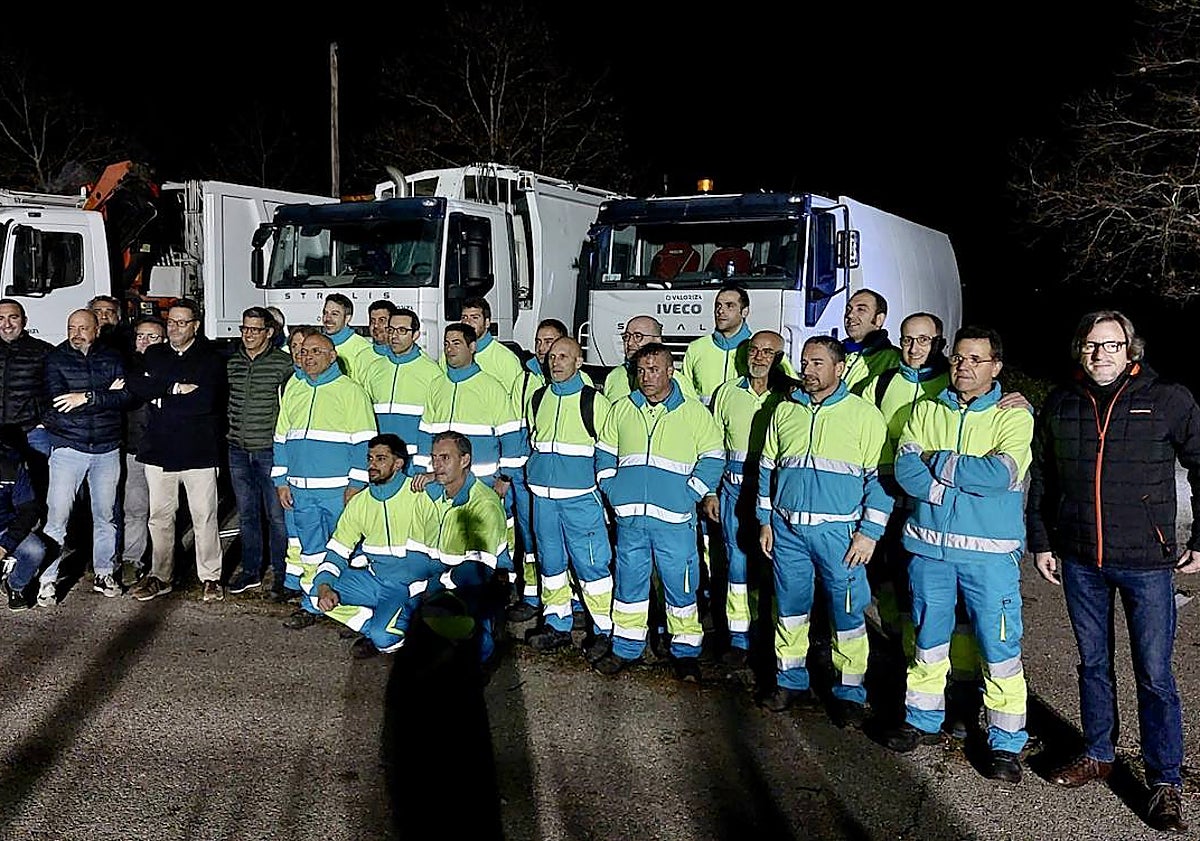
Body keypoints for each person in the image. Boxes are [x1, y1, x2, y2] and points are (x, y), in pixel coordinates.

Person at [1028, 311, 1200, 832]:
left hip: (1148, 562)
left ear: (1132, 350)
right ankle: (1098, 753)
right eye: (1092, 345)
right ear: (1079, 350)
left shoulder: (1170, 399)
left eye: (1112, 345)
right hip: (1081, 560)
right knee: (1093, 664)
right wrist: (1041, 542)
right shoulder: (1061, 402)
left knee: (1155, 674)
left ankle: (1164, 780)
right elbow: (1043, 476)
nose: (1101, 354)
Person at [883, 326, 1033, 786]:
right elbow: (906, 466)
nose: (964, 367)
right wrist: (941, 486)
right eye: (959, 359)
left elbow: (999, 473)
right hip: (929, 549)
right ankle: (923, 720)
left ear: (995, 367)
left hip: (990, 555)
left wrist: (941, 461)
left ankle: (1006, 743)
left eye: (975, 360)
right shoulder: (925, 409)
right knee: (927, 638)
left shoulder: (1014, 416)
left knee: (999, 647)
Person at [756, 336, 890, 726]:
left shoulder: (864, 416)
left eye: (817, 363)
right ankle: (789, 679)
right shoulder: (784, 411)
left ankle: (849, 691)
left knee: (847, 613)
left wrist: (869, 533)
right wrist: (766, 521)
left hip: (840, 535)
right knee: (791, 610)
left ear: (839, 368)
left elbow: (879, 481)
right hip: (787, 531)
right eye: (804, 363)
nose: (808, 371)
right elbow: (768, 468)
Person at [593, 343, 723, 682]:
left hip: (675, 521)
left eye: (654, 370)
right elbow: (605, 454)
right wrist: (612, 490)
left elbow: (712, 458)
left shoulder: (694, 413)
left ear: (670, 371)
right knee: (629, 585)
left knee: (680, 588)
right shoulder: (622, 409)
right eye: (641, 371)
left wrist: (689, 495)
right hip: (631, 520)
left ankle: (685, 652)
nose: (646, 377)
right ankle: (625, 647)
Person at [271, 331, 376, 628]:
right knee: (311, 551)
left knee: (349, 552)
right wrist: (281, 480)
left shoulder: (351, 391)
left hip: (338, 490)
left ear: (332, 357)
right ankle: (314, 603)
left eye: (316, 351)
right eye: (303, 351)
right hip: (300, 491)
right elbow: (281, 437)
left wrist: (356, 485)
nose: (308, 357)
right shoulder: (295, 387)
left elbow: (364, 443)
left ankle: (355, 607)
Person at [127, 299, 228, 603]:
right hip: (159, 450)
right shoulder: (155, 353)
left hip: (199, 451)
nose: (174, 328)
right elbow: (134, 384)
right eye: (170, 322)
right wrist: (173, 389)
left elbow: (204, 402)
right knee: (159, 517)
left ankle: (210, 577)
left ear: (196, 325)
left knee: (204, 516)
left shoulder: (210, 358)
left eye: (182, 322)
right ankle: (160, 575)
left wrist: (159, 392)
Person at [521, 337, 615, 658]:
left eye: (564, 356)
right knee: (551, 565)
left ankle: (604, 630)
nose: (555, 362)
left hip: (581, 502)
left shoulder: (594, 402)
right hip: (543, 501)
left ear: (578, 362)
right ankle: (557, 625)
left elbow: (610, 449)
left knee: (592, 567)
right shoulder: (537, 398)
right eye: (552, 356)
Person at [311, 434, 440, 658]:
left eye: (380, 459)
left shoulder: (420, 492)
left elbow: (459, 487)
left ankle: (391, 630)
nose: (372, 465)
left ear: (398, 464)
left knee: (384, 639)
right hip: (375, 580)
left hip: (411, 585)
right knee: (313, 593)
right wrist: (324, 587)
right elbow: (338, 551)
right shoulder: (360, 503)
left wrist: (436, 478)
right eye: (370, 459)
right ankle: (381, 625)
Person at [705, 330, 788, 665]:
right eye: (754, 350)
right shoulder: (726, 392)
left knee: (777, 565)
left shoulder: (788, 395)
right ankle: (739, 639)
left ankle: (774, 635)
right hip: (733, 491)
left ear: (780, 358)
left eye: (768, 352)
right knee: (737, 561)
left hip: (775, 493)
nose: (759, 357)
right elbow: (712, 445)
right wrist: (710, 490)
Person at [38, 309, 130, 603]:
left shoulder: (113, 357)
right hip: (69, 448)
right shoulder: (56, 359)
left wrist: (85, 397)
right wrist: (105, 394)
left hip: (107, 448)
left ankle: (104, 573)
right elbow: (58, 404)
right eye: (71, 327)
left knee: (105, 516)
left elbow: (126, 397)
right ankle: (48, 579)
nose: (76, 333)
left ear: (97, 329)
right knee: (56, 518)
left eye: (83, 327)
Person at [408, 432, 512, 664]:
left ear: (464, 460)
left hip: (478, 579)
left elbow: (476, 571)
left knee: (456, 619)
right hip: (446, 574)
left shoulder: (484, 504)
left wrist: (434, 585)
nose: (437, 465)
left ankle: (483, 650)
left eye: (445, 458)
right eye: (434, 458)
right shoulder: (436, 494)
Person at [226, 307, 294, 594]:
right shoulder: (231, 362)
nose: (249, 335)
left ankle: (282, 574)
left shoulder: (283, 364)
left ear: (269, 332)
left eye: (255, 329)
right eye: (245, 329)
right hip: (237, 449)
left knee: (276, 516)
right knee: (247, 513)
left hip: (268, 450)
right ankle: (251, 570)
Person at [118, 316, 165, 585]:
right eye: (140, 336)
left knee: (163, 512)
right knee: (135, 508)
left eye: (152, 337)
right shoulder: (124, 367)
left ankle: (162, 564)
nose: (145, 341)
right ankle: (132, 559)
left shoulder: (172, 366)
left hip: (165, 448)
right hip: (134, 447)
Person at [363, 308, 440, 466]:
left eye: (402, 330)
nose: (394, 336)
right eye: (391, 330)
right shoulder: (374, 369)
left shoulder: (432, 372)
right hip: (380, 460)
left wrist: (424, 461)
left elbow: (437, 422)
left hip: (415, 460)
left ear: (416, 335)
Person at [0, 299, 53, 479]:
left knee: (36, 491)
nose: (7, 324)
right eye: (0, 318)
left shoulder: (43, 351)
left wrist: (43, 422)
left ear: (24, 320)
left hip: (32, 433)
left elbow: (57, 390)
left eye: (13, 317)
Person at [0, 424, 48, 611]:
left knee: (35, 550)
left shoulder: (11, 466)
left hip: (3, 528)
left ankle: (15, 586)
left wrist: (5, 545)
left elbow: (28, 510)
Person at [681, 284, 752, 406]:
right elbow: (683, 392)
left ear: (744, 312)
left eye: (729, 306)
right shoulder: (696, 348)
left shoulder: (758, 350)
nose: (720, 311)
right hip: (703, 423)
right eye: (718, 306)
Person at [602, 315, 696, 402]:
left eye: (638, 336)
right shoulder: (614, 376)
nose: (630, 343)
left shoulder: (679, 382)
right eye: (626, 336)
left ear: (657, 340)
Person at [457, 297, 524, 391]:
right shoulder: (452, 354)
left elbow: (517, 399)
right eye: (464, 317)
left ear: (487, 323)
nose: (468, 322)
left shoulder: (505, 359)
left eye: (475, 317)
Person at [841, 289, 900, 396]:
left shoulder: (893, 359)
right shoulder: (835, 353)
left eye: (861, 309)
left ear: (879, 319)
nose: (850, 315)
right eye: (848, 309)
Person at [321, 294, 374, 384]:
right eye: (325, 313)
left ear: (347, 318)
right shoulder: (315, 344)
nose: (328, 318)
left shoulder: (363, 348)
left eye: (334, 314)